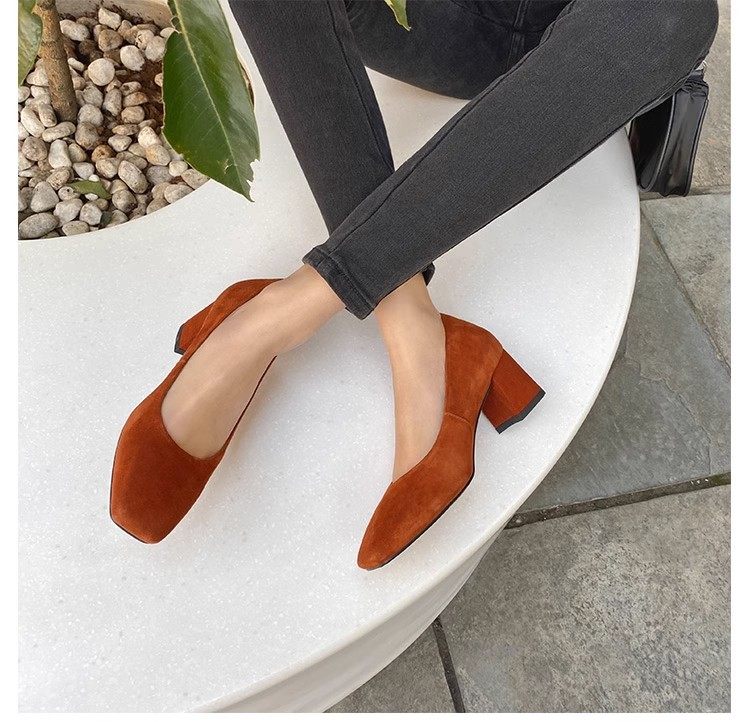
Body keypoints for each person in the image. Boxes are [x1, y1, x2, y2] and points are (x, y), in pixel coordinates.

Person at [109, 0, 718, 569]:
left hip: (589, 25)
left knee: (676, 12)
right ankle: (410, 323)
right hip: (435, 17)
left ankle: (279, 313)